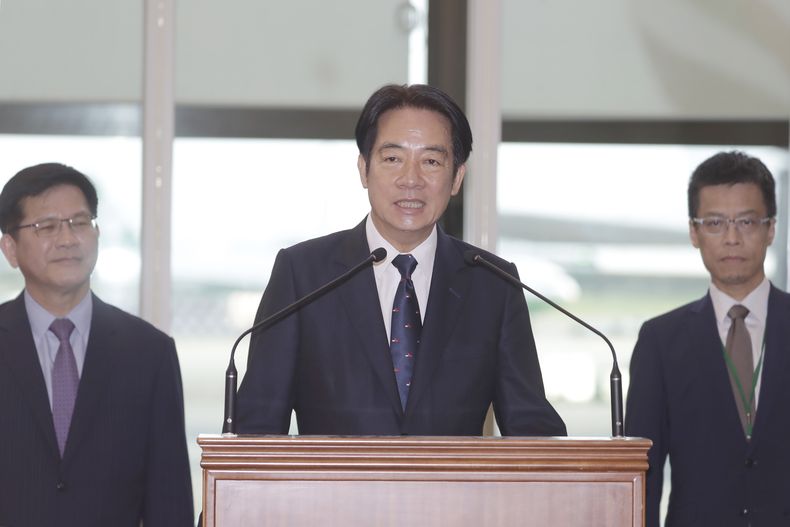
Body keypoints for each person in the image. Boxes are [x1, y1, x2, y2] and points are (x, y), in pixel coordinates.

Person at [236, 84, 565, 437]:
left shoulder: (492, 283)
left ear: (456, 178)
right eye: (393, 159)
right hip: (332, 494)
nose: (411, 179)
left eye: (431, 161)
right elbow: (256, 428)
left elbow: (533, 431)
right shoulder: (303, 275)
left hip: (453, 494)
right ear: (363, 169)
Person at [0, 163, 193, 526]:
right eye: (47, 226)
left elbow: (169, 497)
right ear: (10, 248)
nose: (68, 238)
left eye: (80, 222)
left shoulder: (149, 353)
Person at [625, 151, 790, 526]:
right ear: (694, 232)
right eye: (715, 223)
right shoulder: (660, 341)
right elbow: (642, 472)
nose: (732, 238)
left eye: (746, 221)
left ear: (771, 228)